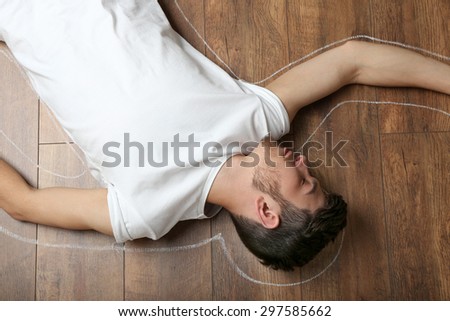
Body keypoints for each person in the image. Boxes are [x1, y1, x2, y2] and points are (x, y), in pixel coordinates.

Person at [0, 0, 449, 271]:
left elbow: (22, 203)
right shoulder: (258, 120)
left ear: (267, 211)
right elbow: (356, 61)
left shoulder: (146, 212)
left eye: (306, 183)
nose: (304, 163)